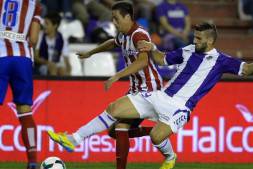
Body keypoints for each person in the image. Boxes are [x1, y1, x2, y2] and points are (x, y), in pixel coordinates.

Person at [48, 1, 176, 169]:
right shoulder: (123, 35)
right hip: (137, 89)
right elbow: (111, 42)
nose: (114, 23)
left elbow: (143, 62)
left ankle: (74, 139)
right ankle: (164, 145)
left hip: (150, 89)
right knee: (117, 130)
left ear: (128, 17)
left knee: (113, 109)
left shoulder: (139, 35)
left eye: (116, 19)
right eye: (112, 19)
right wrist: (91, 52)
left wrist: (117, 75)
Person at [0, 0, 42, 169]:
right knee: (25, 111)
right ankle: (32, 161)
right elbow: (33, 39)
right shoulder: (34, 4)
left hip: (0, 55)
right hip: (22, 58)